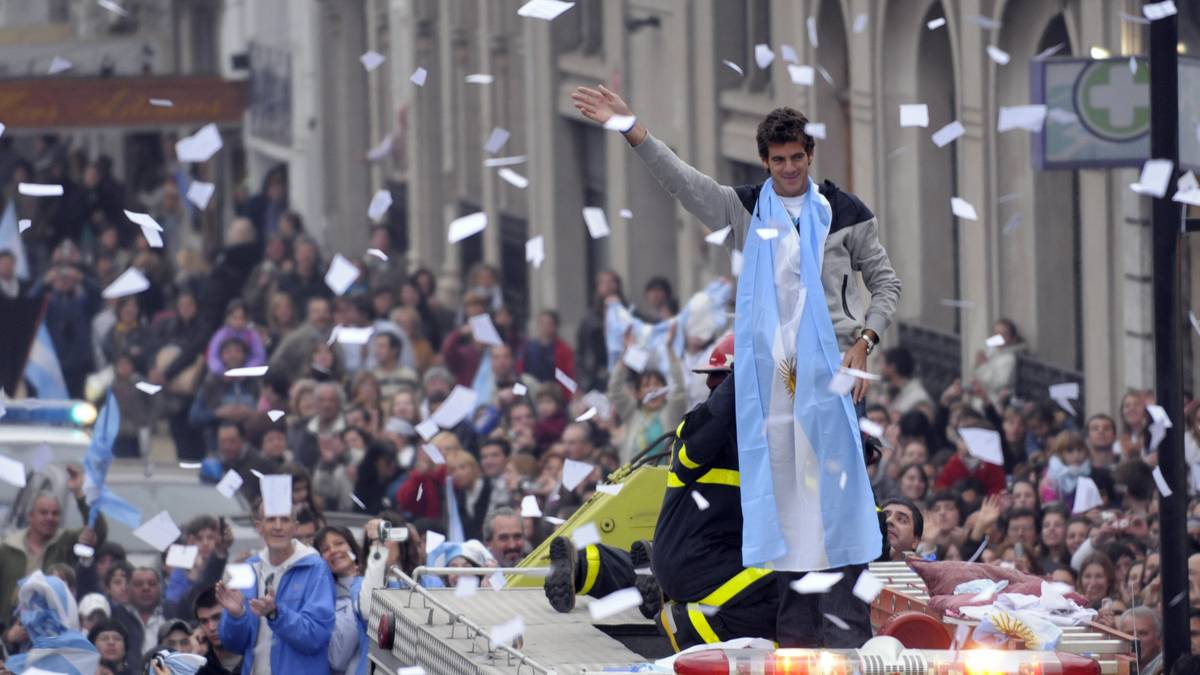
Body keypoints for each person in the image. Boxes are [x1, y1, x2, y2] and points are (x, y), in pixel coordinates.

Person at [572, 87, 897, 647]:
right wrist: (629, 125)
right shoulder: (743, 209)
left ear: (809, 156)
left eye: (798, 158)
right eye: (779, 160)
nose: (790, 168)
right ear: (765, 162)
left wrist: (865, 338)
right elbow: (681, 180)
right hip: (769, 389)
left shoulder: (848, 215)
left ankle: (847, 636)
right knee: (789, 524)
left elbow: (885, 284)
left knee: (841, 508)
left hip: (832, 382)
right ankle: (798, 643)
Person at [544, 335, 780, 650]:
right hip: (698, 560)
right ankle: (688, 627)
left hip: (705, 555)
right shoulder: (698, 427)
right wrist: (744, 379)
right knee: (790, 581)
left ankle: (588, 565)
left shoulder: (762, 440)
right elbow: (705, 430)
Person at [214, 498, 335, 675]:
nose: (278, 526)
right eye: (271, 519)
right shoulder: (247, 569)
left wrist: (276, 614)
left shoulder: (316, 569)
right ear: (259, 526)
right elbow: (233, 645)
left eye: (285, 520)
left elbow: (315, 637)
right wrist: (236, 616)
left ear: (295, 527)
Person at [0, 466, 107, 624]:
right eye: (44, 513)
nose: (50, 518)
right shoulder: (8, 548)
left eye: (55, 513)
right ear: (30, 516)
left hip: (55, 627)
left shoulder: (65, 542)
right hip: (14, 630)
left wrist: (80, 494)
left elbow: (98, 530)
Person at [5, 571, 101, 674]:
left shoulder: (82, 654)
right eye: (29, 609)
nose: (33, 618)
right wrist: (8, 640)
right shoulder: (19, 658)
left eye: (44, 607)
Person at [314, 526, 368, 675]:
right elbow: (337, 658)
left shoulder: (378, 579)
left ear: (352, 546)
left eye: (339, 543)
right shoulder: (324, 598)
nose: (333, 551)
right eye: (325, 549)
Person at [192, 587, 240, 675]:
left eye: (217, 617)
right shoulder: (201, 669)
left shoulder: (255, 654)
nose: (211, 627)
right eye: (204, 621)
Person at [1118, 607, 1162, 675]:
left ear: (1159, 639)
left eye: (1143, 633)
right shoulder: (1115, 666)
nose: (1135, 640)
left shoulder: (1169, 668)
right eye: (1129, 634)